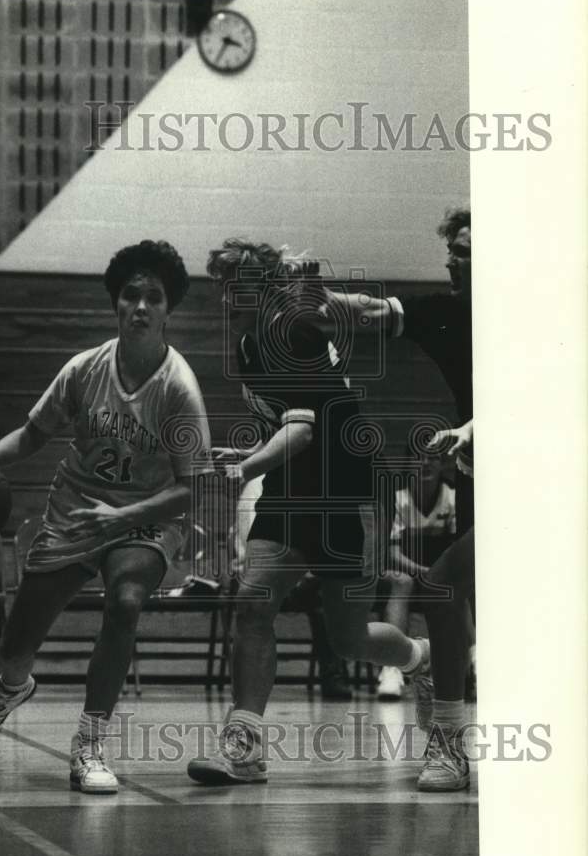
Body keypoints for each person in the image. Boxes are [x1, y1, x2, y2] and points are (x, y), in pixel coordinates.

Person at [0, 240, 211, 794]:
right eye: (131, 295)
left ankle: (90, 743)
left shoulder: (179, 390)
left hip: (146, 515)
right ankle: (13, 685)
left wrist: (121, 520)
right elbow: (30, 436)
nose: (141, 306)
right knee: (15, 645)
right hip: (75, 506)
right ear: (116, 304)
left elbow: (192, 489)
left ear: (169, 310)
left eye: (154, 298)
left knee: (126, 602)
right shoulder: (83, 370)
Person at [187, 239, 431, 786]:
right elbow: (289, 427)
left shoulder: (289, 334)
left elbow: (303, 426)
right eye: (223, 282)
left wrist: (245, 468)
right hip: (294, 490)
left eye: (240, 280)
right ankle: (244, 748)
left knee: (350, 640)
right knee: (253, 604)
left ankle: (420, 659)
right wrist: (251, 460)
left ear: (264, 285)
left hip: (347, 494)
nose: (229, 291)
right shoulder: (253, 339)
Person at [312, 206, 475, 790]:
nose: (452, 259)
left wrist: (474, 429)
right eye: (452, 248)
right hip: (488, 480)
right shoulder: (444, 313)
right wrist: (311, 296)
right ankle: (450, 744)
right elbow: (373, 312)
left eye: (466, 251)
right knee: (444, 588)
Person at [377, 446, 464, 701]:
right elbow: (391, 555)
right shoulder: (397, 500)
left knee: (465, 581)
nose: (425, 464)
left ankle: (472, 662)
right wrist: (425, 572)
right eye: (419, 458)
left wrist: (437, 574)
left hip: (441, 575)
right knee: (401, 581)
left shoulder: (453, 498)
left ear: (442, 465)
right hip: (409, 571)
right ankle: (391, 668)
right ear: (408, 465)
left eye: (433, 458)